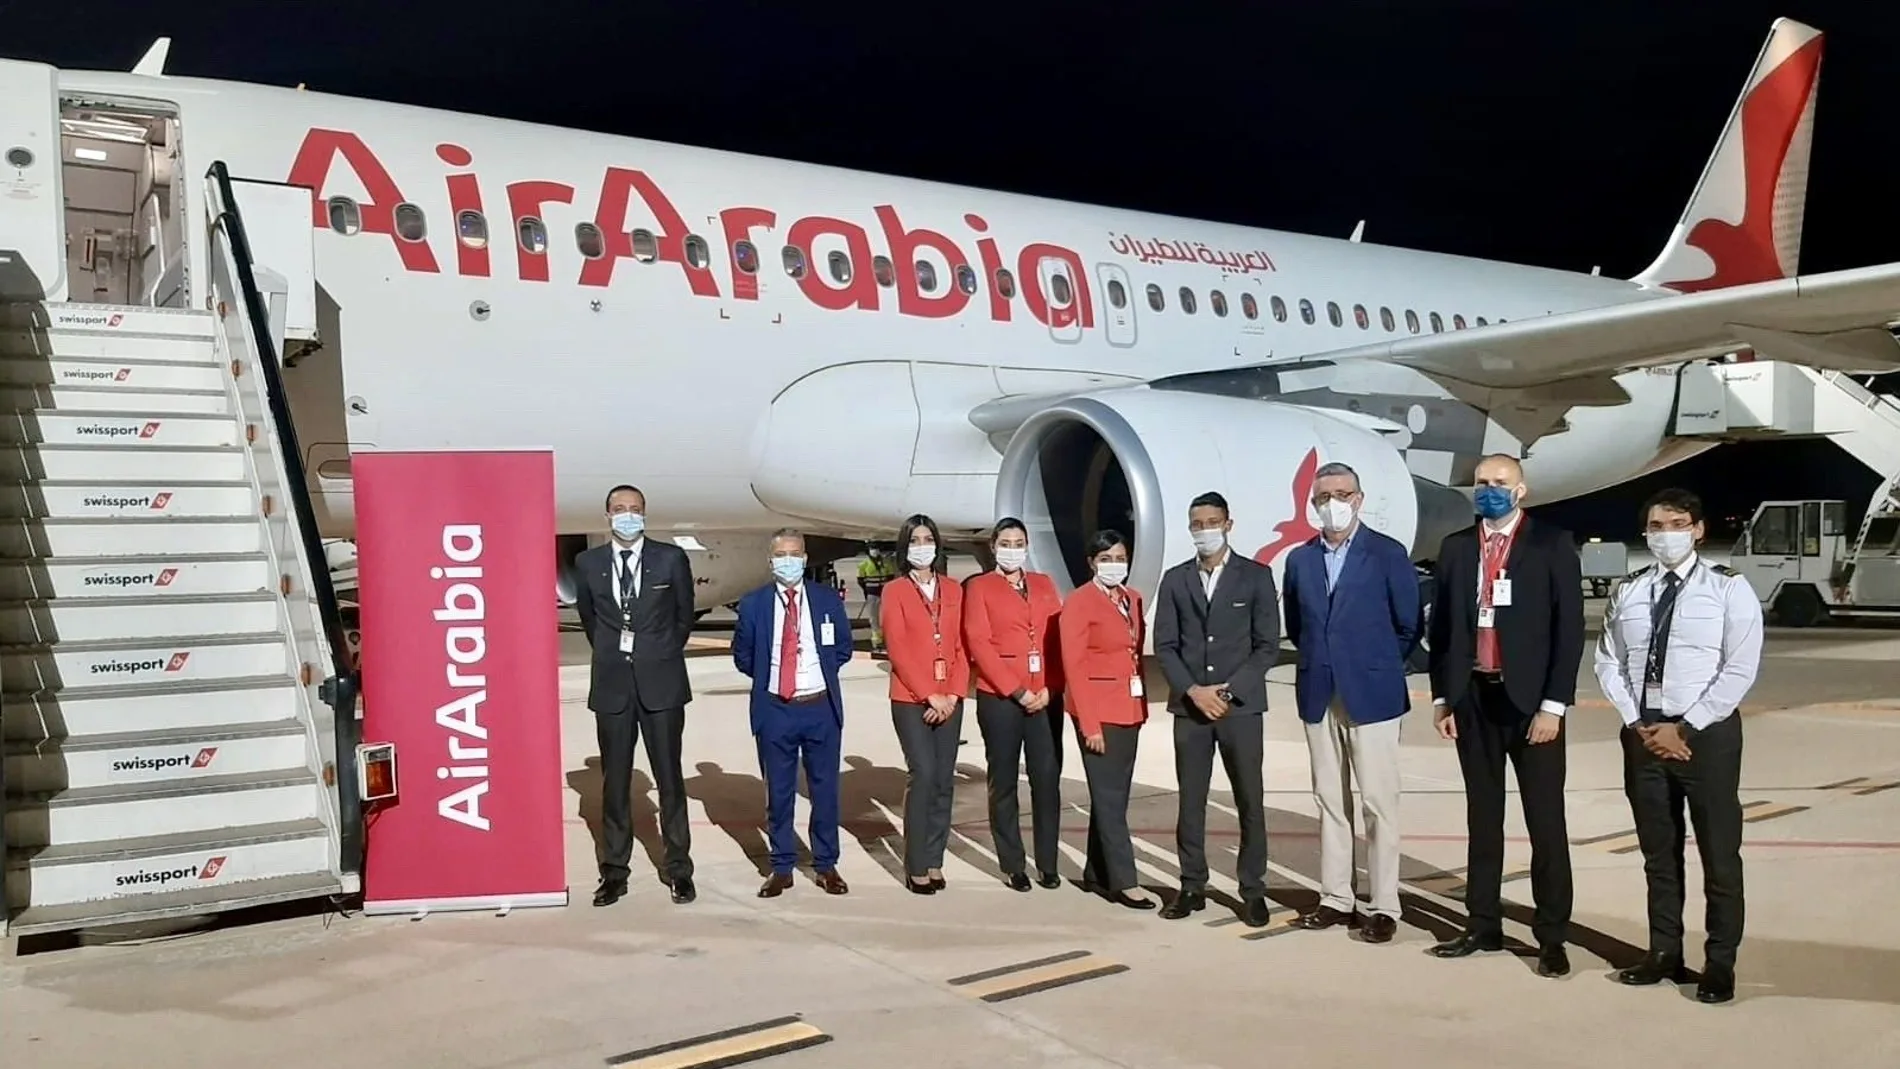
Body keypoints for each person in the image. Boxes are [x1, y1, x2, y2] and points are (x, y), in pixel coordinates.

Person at [1593, 488, 1761, 1004]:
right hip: (1644, 735)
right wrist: (1637, 722)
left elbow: (1740, 667)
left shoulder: (1728, 589)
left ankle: (1720, 963)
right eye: (1656, 525)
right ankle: (1663, 952)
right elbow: (1608, 661)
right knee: (1658, 854)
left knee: (1719, 854)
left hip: (1705, 738)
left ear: (1699, 529)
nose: (1665, 533)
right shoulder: (1630, 591)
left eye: (1676, 523)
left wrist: (1684, 727)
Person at [1426, 454, 1584, 976]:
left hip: (1531, 705)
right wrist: (1443, 698)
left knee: (1545, 822)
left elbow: (1568, 631)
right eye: (1481, 483)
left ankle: (1552, 935)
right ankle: (1482, 923)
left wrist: (1553, 706)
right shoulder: (1456, 548)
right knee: (1483, 819)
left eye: (1500, 483)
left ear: (1521, 490)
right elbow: (1444, 631)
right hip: (1474, 699)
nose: (1489, 491)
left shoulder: (1551, 544)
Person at [1281, 462, 1420, 944]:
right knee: (1330, 801)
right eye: (1323, 496)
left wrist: (1373, 665)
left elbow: (1408, 625)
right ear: (1313, 503)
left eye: (1342, 494)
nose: (1332, 503)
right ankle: (1336, 897)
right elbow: (1296, 624)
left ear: (1359, 499)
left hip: (1373, 693)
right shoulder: (1300, 559)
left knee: (1379, 804)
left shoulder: (1386, 553)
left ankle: (1383, 903)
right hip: (1320, 691)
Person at [1153, 491, 1280, 927]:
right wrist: (1193, 690)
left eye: (1212, 522)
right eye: (1197, 524)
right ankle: (1192, 885)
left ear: (1228, 524)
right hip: (1191, 709)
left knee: (1250, 800)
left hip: (1239, 709)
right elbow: (1165, 646)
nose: (1204, 530)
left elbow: (1267, 647)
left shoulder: (1255, 577)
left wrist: (1227, 693)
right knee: (1191, 800)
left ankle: (1253, 889)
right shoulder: (1175, 579)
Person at [573, 484, 699, 907]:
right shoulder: (588, 564)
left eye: (635, 509)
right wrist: (617, 656)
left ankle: (679, 869)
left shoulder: (670, 558)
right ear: (607, 515)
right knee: (614, 784)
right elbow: (591, 621)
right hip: (612, 685)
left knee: (669, 779)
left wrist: (655, 652)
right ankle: (614, 871)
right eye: (619, 509)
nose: (627, 515)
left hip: (660, 683)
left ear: (645, 514)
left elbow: (683, 618)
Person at [731, 528, 856, 899]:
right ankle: (781, 866)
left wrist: (813, 674)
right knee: (779, 792)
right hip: (775, 710)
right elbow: (743, 656)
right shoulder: (754, 604)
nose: (789, 560)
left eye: (795, 554)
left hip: (819, 706)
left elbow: (843, 648)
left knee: (825, 789)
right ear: (771, 562)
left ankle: (826, 864)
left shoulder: (826, 599)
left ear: (804, 558)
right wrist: (775, 677)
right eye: (781, 554)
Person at [962, 518, 1067, 892]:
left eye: (1018, 542)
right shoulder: (980, 588)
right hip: (1002, 698)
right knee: (1003, 781)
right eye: (1005, 543)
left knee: (1047, 779)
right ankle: (1013, 863)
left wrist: (1052, 689)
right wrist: (1017, 690)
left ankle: (1049, 863)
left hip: (1045, 698)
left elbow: (1056, 640)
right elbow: (979, 642)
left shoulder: (1043, 584)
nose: (1012, 549)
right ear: (994, 547)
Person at [1060, 529, 1155, 910]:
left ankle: (1096, 872)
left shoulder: (1132, 599)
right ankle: (1125, 881)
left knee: (1113, 797)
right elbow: (1075, 665)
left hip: (1128, 709)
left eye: (1119, 557)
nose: (1114, 565)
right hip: (1098, 711)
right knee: (1110, 798)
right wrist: (1089, 723)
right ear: (1091, 563)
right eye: (1106, 559)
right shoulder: (1079, 602)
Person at [881, 513, 970, 894]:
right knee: (924, 774)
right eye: (915, 540)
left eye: (928, 539)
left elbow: (961, 647)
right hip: (911, 698)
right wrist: (927, 693)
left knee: (944, 781)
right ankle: (915, 862)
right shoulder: (895, 591)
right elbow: (898, 649)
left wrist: (952, 694)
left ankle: (935, 859)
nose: (923, 546)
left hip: (949, 697)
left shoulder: (954, 590)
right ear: (905, 548)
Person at [857, 545, 897, 654]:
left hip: (883, 594)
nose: (875, 551)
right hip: (872, 594)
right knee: (873, 617)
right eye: (873, 549)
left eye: (876, 548)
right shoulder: (863, 564)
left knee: (885, 617)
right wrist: (867, 591)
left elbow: (891, 576)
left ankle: (887, 639)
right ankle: (877, 641)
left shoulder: (885, 563)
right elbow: (860, 580)